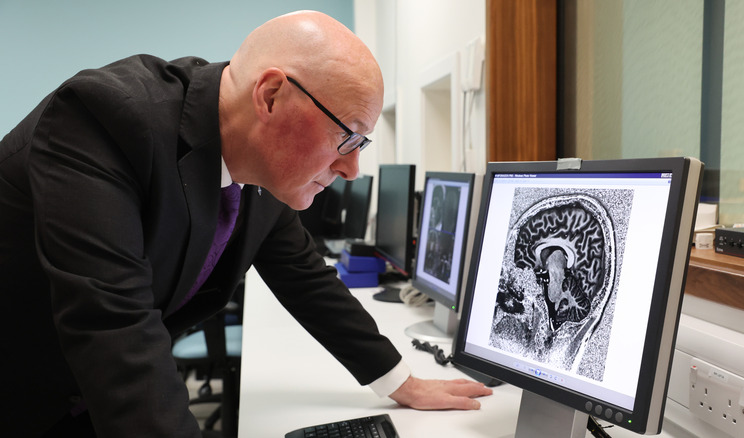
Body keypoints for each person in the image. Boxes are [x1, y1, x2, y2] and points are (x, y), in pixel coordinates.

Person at [0, 10, 492, 437]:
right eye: (348, 137)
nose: (351, 170)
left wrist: (400, 381)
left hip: (100, 396)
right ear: (272, 95)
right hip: (27, 389)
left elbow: (305, 277)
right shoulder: (104, 120)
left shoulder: (258, 170)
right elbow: (114, 325)